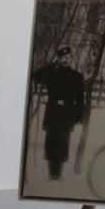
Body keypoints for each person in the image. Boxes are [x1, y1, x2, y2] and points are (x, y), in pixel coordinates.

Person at [33, 46, 85, 180]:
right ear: (59, 59)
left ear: (71, 58)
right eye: (62, 58)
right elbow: (36, 76)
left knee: (63, 144)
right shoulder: (52, 73)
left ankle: (59, 175)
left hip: (67, 115)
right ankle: (51, 175)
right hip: (52, 113)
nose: (66, 60)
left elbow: (80, 99)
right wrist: (52, 65)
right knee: (50, 143)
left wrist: (78, 117)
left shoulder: (77, 77)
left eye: (68, 58)